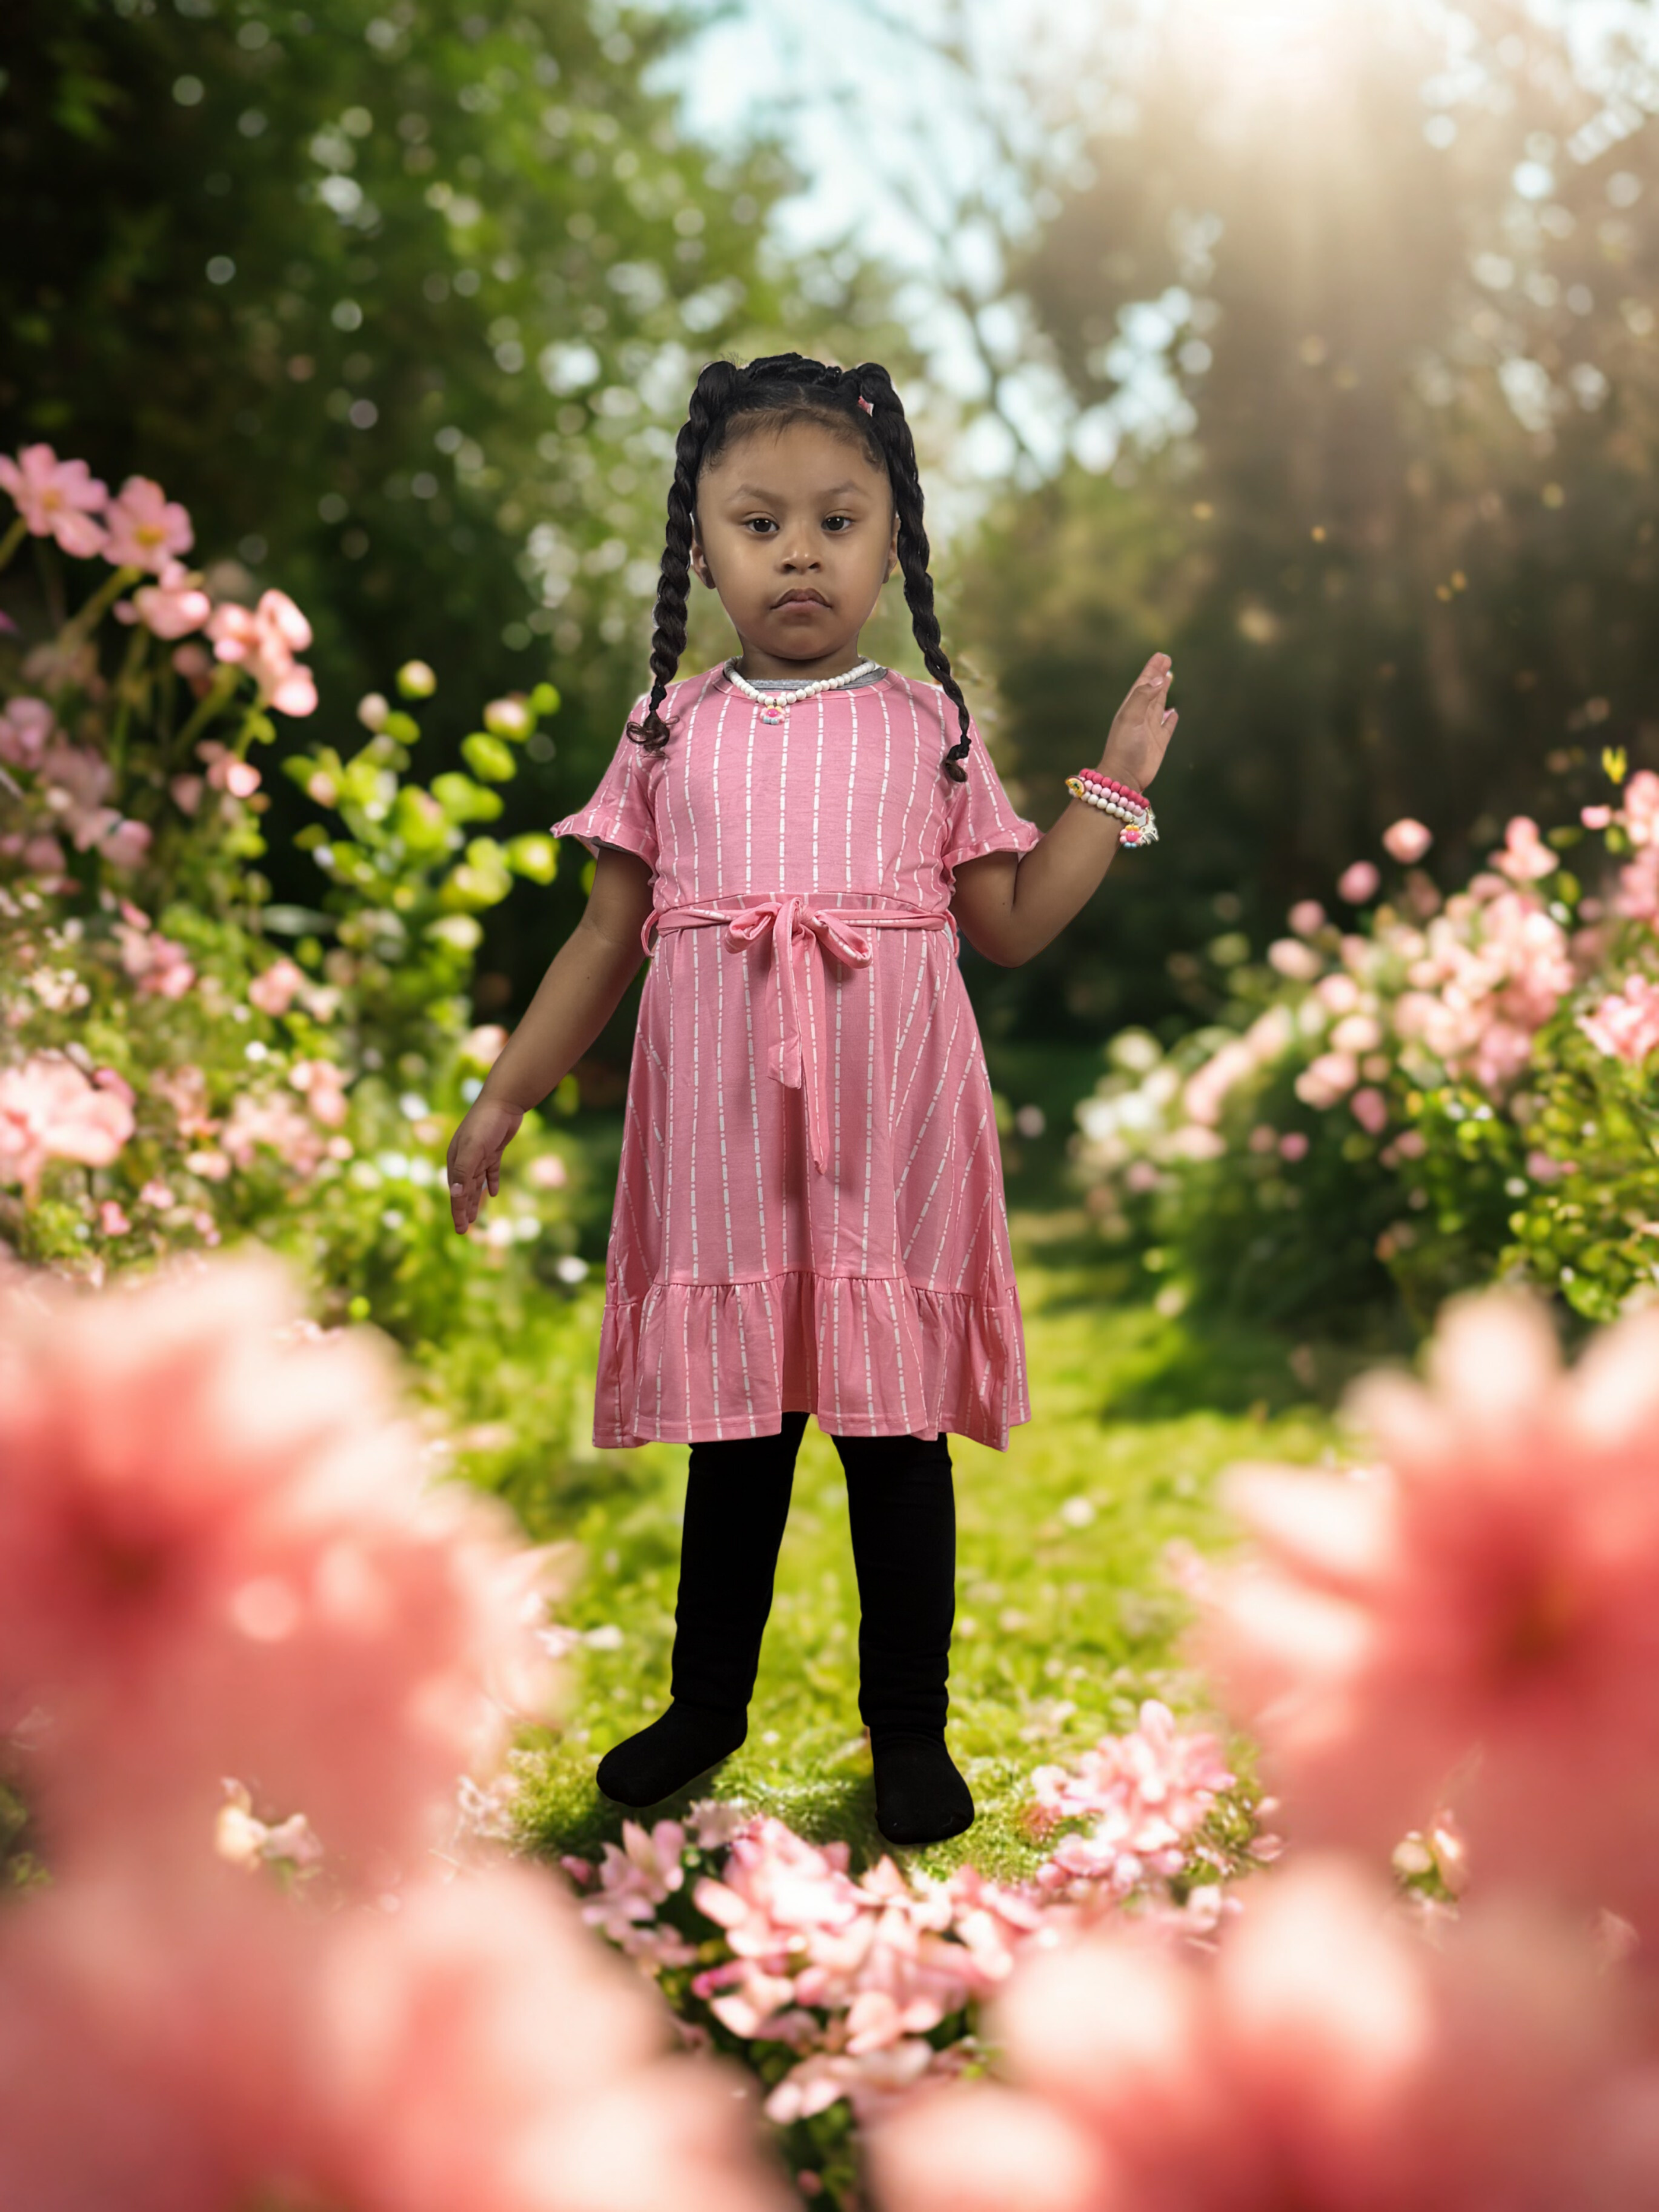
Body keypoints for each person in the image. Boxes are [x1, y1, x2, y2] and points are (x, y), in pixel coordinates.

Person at [445, 353, 1177, 1847]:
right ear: (700, 543)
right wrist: (505, 1098)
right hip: (724, 1151)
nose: (800, 552)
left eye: (840, 522)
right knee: (741, 1447)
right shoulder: (668, 734)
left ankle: (909, 1728)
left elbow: (1016, 922)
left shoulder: (927, 730)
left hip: (887, 1147)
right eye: (759, 522)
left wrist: (1109, 785)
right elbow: (603, 939)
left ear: (892, 539)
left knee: (895, 1448)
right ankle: (705, 1705)